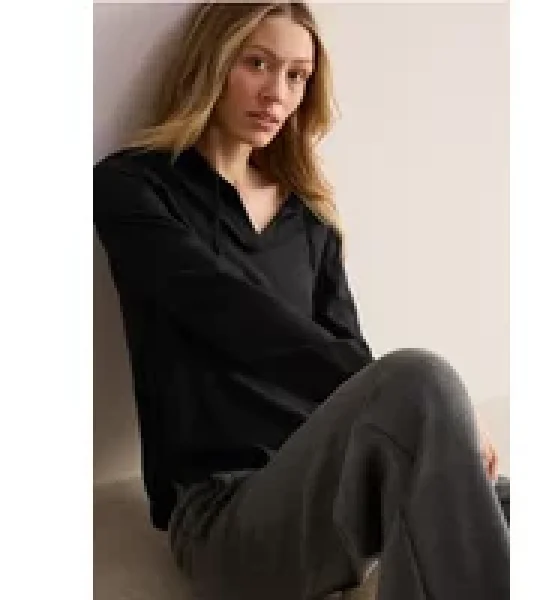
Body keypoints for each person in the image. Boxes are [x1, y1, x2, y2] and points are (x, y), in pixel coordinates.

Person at [93, 3, 509, 599]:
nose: (277, 94)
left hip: (334, 491)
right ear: (211, 64)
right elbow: (229, 313)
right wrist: (445, 408)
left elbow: (348, 353)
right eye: (257, 64)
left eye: (296, 76)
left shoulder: (310, 222)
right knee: (423, 378)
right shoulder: (132, 187)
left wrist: (442, 436)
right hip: (226, 515)